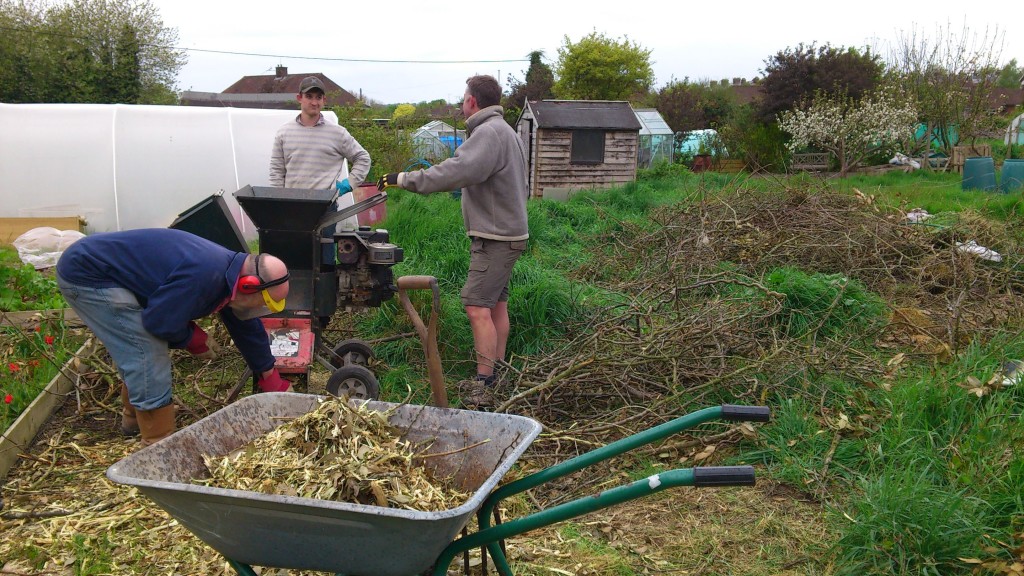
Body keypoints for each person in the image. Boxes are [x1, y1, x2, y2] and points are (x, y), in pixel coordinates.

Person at [55, 228, 293, 447]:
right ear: (249, 285)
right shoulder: (204, 275)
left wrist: (268, 373)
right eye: (264, 302)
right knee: (145, 349)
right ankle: (158, 443)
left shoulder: (231, 275)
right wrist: (193, 339)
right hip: (88, 274)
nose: (260, 309)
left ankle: (133, 421)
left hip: (114, 273)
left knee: (138, 348)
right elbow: (158, 322)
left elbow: (245, 324)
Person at [377, 74, 529, 409]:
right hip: (508, 233)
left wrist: (404, 179)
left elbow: (453, 171)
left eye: (463, 99)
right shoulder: (506, 131)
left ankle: (484, 386)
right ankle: (498, 372)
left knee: (475, 306)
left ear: (473, 101)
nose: (462, 105)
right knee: (495, 305)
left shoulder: (488, 133)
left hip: (496, 237)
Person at [269, 76, 371, 236]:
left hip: (325, 208)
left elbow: (363, 158)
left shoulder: (337, 133)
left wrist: (348, 184)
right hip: (292, 206)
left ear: (324, 100)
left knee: (324, 257)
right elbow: (276, 171)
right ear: (299, 98)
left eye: (318, 97)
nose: (314, 102)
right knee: (293, 256)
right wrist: (279, 203)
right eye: (309, 97)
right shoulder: (284, 132)